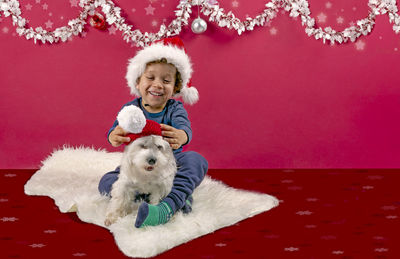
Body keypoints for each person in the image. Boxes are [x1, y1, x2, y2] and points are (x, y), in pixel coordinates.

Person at [98, 37, 208, 228]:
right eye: (150, 77)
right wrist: (113, 135)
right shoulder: (131, 109)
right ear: (138, 82)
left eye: (166, 80)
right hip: (137, 167)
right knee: (106, 182)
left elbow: (184, 127)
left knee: (195, 160)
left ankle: (171, 203)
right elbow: (117, 128)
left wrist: (182, 135)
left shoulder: (175, 109)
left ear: (175, 88)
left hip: (171, 165)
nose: (157, 84)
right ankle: (144, 195)